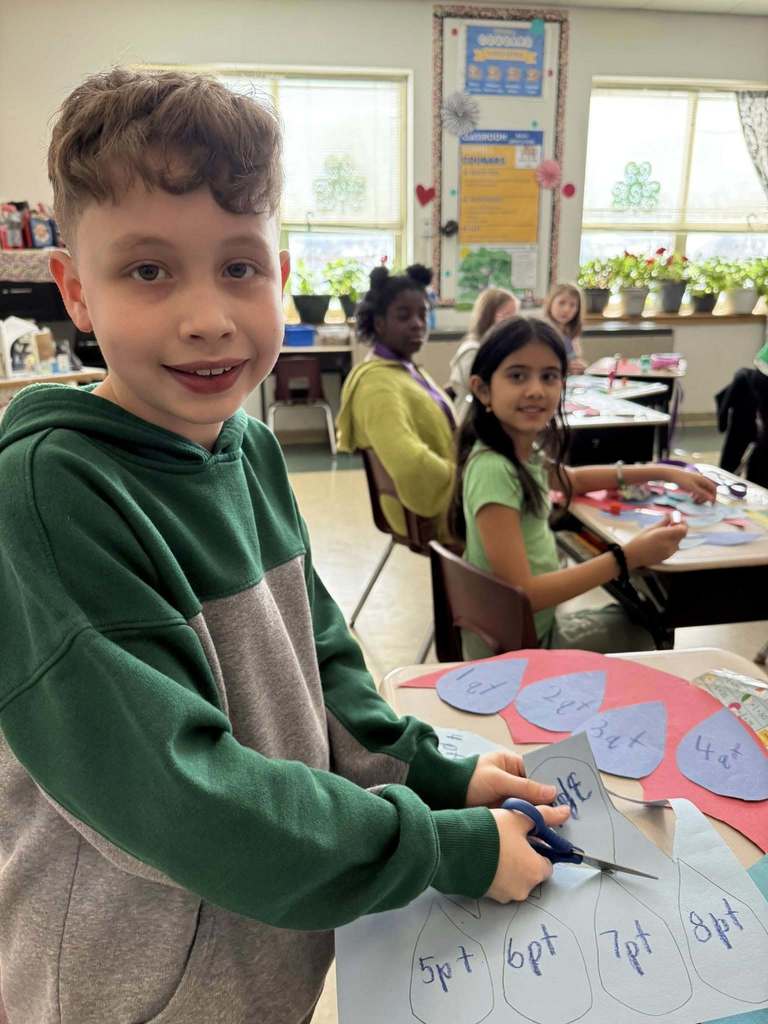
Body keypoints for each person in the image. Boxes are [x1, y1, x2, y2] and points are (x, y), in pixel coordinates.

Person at [0, 69, 571, 1024]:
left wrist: (439, 774)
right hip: (126, 993)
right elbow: (186, 801)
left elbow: (328, 676)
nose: (208, 316)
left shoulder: (251, 450)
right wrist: (443, 846)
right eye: (148, 270)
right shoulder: (51, 493)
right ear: (75, 292)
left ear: (281, 267)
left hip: (266, 957)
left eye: (239, 266)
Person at [450, 316, 717, 658]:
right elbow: (524, 592)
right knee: (649, 626)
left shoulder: (513, 449)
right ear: (483, 389)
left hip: (520, 630)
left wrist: (664, 471)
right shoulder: (494, 469)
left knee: (644, 613)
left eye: (549, 376)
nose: (536, 390)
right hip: (519, 649)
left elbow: (571, 480)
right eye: (518, 376)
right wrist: (628, 556)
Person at [337, 264, 458, 541]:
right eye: (404, 316)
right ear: (380, 323)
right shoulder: (376, 385)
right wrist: (466, 483)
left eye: (422, 315)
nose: (417, 323)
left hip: (441, 495)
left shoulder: (405, 368)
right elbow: (409, 462)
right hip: (421, 511)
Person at [448, 286, 520, 422]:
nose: (512, 322)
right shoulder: (472, 351)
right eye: (506, 315)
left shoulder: (504, 347)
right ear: (487, 317)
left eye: (514, 316)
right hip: (473, 419)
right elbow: (483, 392)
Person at [543, 282, 587, 374]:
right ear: (550, 303)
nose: (566, 309)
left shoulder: (571, 333)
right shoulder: (541, 332)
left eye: (572, 305)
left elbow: (576, 359)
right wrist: (565, 366)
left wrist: (580, 366)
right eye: (561, 303)